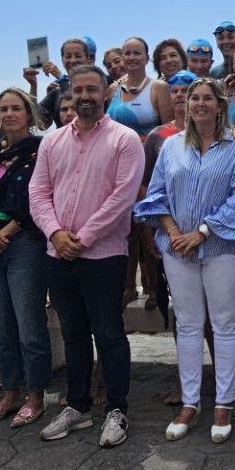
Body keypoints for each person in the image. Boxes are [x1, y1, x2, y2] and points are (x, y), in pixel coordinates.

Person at [135, 78, 235, 443]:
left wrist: (201, 232)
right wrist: (173, 232)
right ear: (186, 105)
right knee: (187, 324)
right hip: (177, 248)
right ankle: (190, 402)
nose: (200, 104)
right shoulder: (171, 147)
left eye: (208, 98)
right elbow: (156, 194)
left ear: (221, 105)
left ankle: (224, 402)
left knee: (224, 324)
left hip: (223, 246)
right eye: (195, 98)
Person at [29, 64, 143, 447]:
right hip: (58, 254)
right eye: (78, 90)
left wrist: (83, 236)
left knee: (109, 334)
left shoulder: (124, 140)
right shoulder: (52, 141)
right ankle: (77, 407)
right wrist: (56, 233)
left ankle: (117, 410)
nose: (85, 96)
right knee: (74, 334)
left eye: (92, 89)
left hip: (104, 256)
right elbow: (38, 193)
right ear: (70, 95)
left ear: (106, 94)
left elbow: (123, 197)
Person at [0, 88, 51, 429]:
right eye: (3, 108)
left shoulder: (41, 152)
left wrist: (3, 235)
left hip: (24, 244)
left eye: (16, 108)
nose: (9, 114)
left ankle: (35, 396)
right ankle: (10, 391)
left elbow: (41, 199)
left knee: (29, 325)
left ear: (29, 114)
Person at [110, 37, 173, 137]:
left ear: (147, 59)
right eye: (127, 53)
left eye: (137, 53)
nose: (131, 57)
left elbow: (168, 133)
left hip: (147, 152)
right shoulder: (113, 89)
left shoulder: (159, 88)